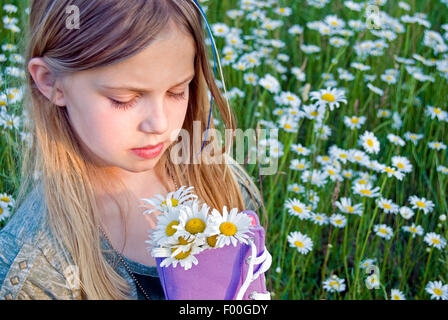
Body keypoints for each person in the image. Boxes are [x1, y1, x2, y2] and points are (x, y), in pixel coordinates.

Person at [0, 0, 265, 300]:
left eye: (178, 91)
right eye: (124, 99)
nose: (160, 124)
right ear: (51, 82)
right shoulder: (38, 268)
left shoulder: (224, 187)